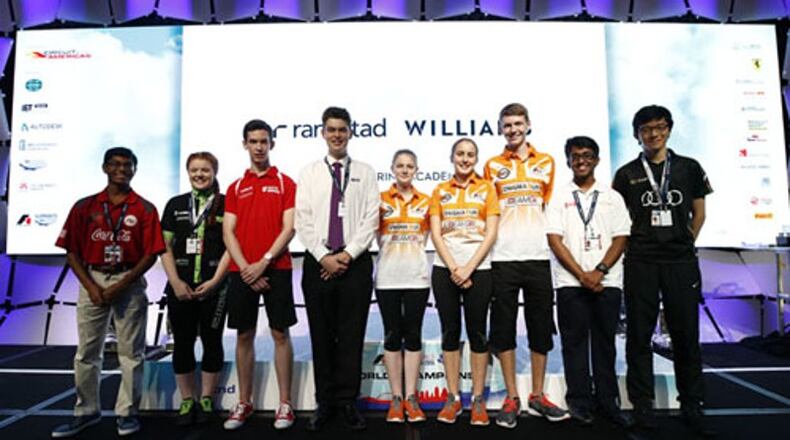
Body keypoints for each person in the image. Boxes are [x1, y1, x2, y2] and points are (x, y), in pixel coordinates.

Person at [612, 105, 714, 437]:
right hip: (640, 260)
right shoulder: (626, 174)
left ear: (669, 129)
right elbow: (619, 221)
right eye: (646, 129)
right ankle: (643, 406)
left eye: (659, 127)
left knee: (686, 335)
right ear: (636, 133)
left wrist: (684, 241)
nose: (653, 134)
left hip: (680, 262)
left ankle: (692, 404)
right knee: (639, 335)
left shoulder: (689, 168)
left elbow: (699, 213)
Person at [52, 147, 165, 438]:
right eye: (115, 165)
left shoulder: (145, 208)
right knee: (87, 352)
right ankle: (86, 411)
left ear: (134, 170)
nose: (122, 170)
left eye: (128, 165)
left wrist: (121, 284)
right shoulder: (85, 207)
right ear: (104, 168)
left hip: (129, 282)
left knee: (132, 354)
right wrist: (92, 286)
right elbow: (72, 251)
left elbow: (151, 254)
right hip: (92, 279)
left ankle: (127, 413)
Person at [483, 103, 568, 428]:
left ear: (528, 125)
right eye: (507, 125)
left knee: (540, 328)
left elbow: (546, 206)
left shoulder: (546, 163)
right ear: (501, 128)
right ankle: (511, 397)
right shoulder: (492, 166)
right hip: (503, 258)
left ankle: (536, 394)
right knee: (503, 330)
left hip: (537, 257)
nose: (513, 129)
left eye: (518, 123)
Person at [295, 106, 379, 431]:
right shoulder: (309, 172)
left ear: (350, 132)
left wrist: (347, 255)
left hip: (355, 265)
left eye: (342, 129)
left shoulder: (366, 171)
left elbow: (371, 218)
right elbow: (302, 219)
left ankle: (348, 402)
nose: (337, 135)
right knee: (321, 335)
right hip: (318, 264)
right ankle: (324, 402)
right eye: (331, 129)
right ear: (323, 132)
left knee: (351, 335)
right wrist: (324, 257)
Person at [545, 136, 633, 427]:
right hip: (570, 282)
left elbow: (622, 237)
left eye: (586, 155)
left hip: (607, 281)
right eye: (574, 156)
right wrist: (582, 274)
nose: (580, 160)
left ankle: (609, 402)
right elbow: (555, 240)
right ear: (568, 160)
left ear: (596, 159)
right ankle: (580, 402)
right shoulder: (558, 197)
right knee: (574, 344)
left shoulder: (612, 196)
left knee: (605, 344)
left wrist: (600, 270)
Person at [222, 120, 298, 431]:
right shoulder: (235, 187)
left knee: (280, 334)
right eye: (253, 141)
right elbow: (228, 231)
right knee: (244, 335)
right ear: (245, 144)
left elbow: (289, 228)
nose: (258, 147)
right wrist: (246, 268)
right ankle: (244, 401)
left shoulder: (285, 183)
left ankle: (285, 403)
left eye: (264, 141)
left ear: (271, 144)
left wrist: (263, 263)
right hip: (243, 271)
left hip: (276, 268)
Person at [430, 138, 499, 427]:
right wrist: (455, 268)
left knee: (478, 334)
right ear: (452, 157)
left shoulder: (487, 188)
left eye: (471, 154)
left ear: (476, 158)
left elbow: (491, 233)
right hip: (444, 269)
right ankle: (453, 397)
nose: (465, 159)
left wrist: (469, 267)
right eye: (460, 154)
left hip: (479, 269)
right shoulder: (440, 190)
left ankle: (479, 398)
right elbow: (436, 234)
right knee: (449, 333)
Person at [160, 152, 231, 426]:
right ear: (188, 172)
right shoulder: (175, 204)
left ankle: (206, 399)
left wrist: (215, 282)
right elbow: (164, 247)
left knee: (213, 342)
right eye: (194, 170)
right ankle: (187, 399)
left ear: (215, 171)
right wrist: (176, 282)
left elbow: (231, 247)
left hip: (215, 286)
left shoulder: (226, 204)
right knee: (183, 343)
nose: (200, 175)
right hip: (181, 287)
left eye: (205, 170)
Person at [376, 149, 430, 424]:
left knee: (413, 336)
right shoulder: (380, 201)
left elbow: (429, 237)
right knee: (391, 336)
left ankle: (411, 397)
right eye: (400, 166)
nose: (405, 170)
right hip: (386, 278)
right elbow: (374, 237)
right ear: (392, 169)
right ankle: (396, 398)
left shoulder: (427, 203)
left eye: (410, 166)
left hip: (417, 279)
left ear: (416, 169)